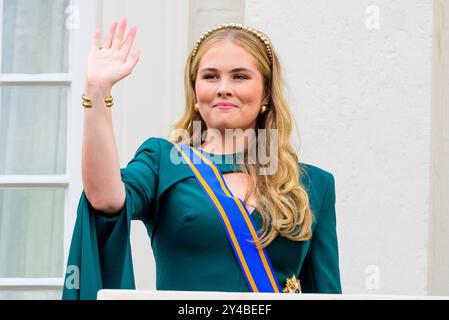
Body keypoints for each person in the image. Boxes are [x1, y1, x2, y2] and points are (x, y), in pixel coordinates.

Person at [62, 17, 341, 300]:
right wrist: (97, 91)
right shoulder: (164, 161)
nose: (223, 87)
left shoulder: (314, 184)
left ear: (266, 92)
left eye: (240, 76)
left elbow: (326, 295)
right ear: (195, 89)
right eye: (210, 76)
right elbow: (105, 199)